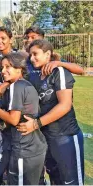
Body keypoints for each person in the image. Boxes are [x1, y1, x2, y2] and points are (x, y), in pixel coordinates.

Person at [17, 40, 84, 185]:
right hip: (46, 137)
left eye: (36, 54)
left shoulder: (58, 71)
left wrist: (36, 124)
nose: (32, 58)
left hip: (66, 136)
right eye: (30, 55)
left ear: (48, 54)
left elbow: (65, 106)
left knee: (71, 182)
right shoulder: (33, 75)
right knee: (55, 179)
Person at [0, 52, 47, 185]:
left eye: (8, 67)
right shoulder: (25, 84)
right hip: (35, 147)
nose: (3, 71)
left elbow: (14, 119)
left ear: (19, 68)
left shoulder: (16, 86)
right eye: (2, 67)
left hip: (24, 149)